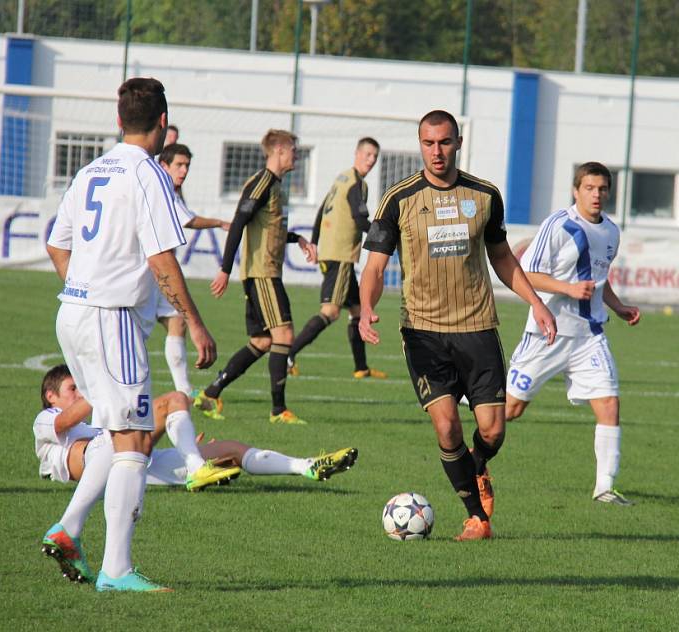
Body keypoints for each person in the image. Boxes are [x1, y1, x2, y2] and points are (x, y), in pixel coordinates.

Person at [44, 77, 222, 592]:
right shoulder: (149, 174)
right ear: (164, 125)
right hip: (111, 318)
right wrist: (194, 321)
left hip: (73, 314)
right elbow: (161, 256)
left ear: (118, 122)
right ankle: (116, 570)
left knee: (121, 433)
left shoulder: (90, 169)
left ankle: (69, 528)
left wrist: (82, 286)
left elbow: (58, 245)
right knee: (134, 444)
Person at [358, 110, 557, 542]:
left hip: (478, 328)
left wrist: (536, 303)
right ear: (420, 144)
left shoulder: (484, 195)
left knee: (493, 430)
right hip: (424, 331)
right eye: (428, 143)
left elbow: (503, 259)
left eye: (444, 142)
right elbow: (374, 266)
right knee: (446, 424)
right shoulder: (399, 199)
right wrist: (365, 307)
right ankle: (476, 518)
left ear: (458, 142)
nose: (437, 152)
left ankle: (476, 465)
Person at [505, 161, 641, 505]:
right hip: (548, 331)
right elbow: (526, 274)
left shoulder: (611, 231)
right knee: (508, 411)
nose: (597, 195)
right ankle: (468, 454)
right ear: (576, 190)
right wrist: (566, 288)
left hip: (589, 335)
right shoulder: (559, 225)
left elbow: (599, 278)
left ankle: (605, 488)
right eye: (590, 188)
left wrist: (618, 306)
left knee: (609, 403)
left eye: (603, 189)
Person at [34, 364, 357, 492]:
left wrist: (183, 438)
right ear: (51, 396)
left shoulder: (97, 418)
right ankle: (195, 466)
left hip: (133, 465)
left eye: (80, 388)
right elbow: (65, 422)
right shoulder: (47, 419)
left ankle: (307, 467)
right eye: (71, 389)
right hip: (102, 461)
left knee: (229, 449)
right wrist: (101, 386)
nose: (79, 394)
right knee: (175, 398)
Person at [195, 129, 316, 425]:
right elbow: (239, 223)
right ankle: (278, 411)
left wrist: (297, 238)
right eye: (293, 150)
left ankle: (211, 393)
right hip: (262, 275)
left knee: (262, 341)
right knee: (284, 335)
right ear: (277, 151)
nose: (296, 156)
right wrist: (225, 268)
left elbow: (268, 229)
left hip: (265, 273)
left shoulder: (276, 186)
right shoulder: (262, 182)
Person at [287, 137, 387, 380]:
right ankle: (288, 354)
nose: (371, 160)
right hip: (340, 256)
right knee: (331, 311)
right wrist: (386, 235)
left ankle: (361, 368)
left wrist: (313, 240)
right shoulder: (356, 184)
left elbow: (322, 209)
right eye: (367, 154)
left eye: (375, 156)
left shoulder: (342, 177)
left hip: (334, 252)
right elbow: (360, 219)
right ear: (357, 153)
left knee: (357, 309)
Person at [155, 142, 230, 397]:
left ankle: (183, 391)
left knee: (177, 321)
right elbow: (189, 220)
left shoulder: (169, 189)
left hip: (155, 274)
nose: (184, 170)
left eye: (187, 165)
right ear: (163, 166)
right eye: (179, 165)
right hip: (150, 274)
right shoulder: (161, 189)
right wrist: (219, 222)